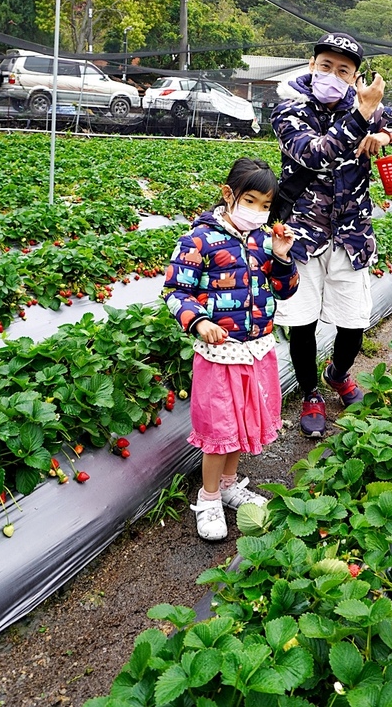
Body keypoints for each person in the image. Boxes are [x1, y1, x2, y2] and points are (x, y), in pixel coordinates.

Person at [271, 31, 392, 437]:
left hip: (351, 235)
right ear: (312, 67)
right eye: (326, 66)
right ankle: (310, 393)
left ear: (355, 76)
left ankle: (337, 374)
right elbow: (314, 153)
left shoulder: (370, 109)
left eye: (343, 70)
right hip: (300, 237)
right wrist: (361, 118)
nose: (333, 75)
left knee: (354, 322)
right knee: (302, 323)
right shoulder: (289, 109)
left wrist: (386, 134)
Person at [162, 157, 298, 541]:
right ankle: (208, 500)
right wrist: (199, 321)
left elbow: (286, 290)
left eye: (265, 205)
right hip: (220, 355)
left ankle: (228, 484)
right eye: (250, 201)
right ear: (229, 194)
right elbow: (176, 291)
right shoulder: (199, 240)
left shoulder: (261, 240)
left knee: (239, 425)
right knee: (219, 427)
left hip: (256, 349)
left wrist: (282, 256)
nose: (257, 212)